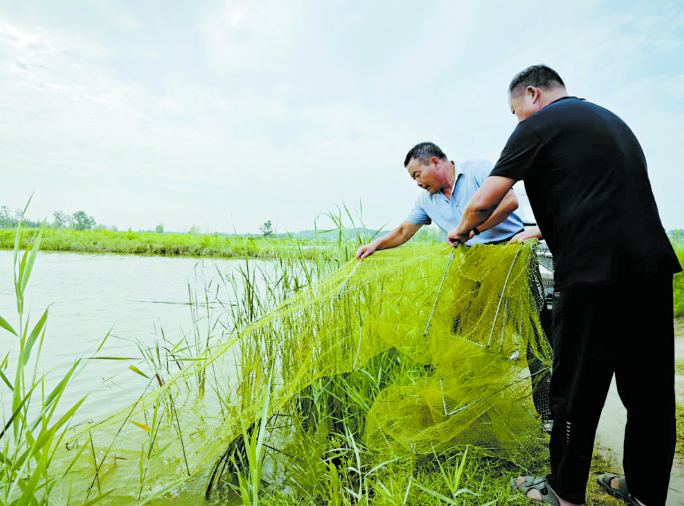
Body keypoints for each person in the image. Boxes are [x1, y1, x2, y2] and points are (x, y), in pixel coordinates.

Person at [448, 64, 682, 506]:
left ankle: (565, 491)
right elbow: (599, 198)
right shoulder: (612, 122)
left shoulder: (539, 125)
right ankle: (647, 491)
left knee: (574, 388)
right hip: (650, 271)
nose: (518, 121)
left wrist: (461, 232)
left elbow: (484, 200)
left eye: (516, 112)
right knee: (649, 392)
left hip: (591, 277)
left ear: (532, 95)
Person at [355, 142, 524, 260]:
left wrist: (471, 230)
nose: (418, 183)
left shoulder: (477, 169)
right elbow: (403, 232)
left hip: (512, 248)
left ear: (435, 162)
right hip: (473, 258)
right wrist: (375, 245)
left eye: (417, 175)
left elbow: (509, 202)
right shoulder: (425, 201)